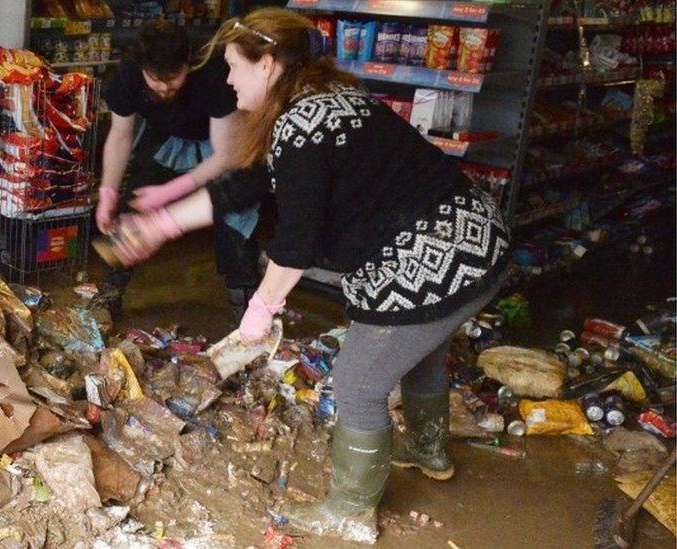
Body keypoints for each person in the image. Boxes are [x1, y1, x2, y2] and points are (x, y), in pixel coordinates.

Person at [95, 8, 511, 544]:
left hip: (438, 255)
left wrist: (257, 316)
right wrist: (161, 225)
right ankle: (429, 451)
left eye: (233, 67)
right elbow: (244, 187)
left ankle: (350, 509)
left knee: (358, 382)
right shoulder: (323, 101)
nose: (225, 80)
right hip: (478, 241)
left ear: (267, 65)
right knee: (420, 349)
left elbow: (295, 245)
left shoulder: (302, 125)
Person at [93, 19, 261, 321]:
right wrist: (108, 190)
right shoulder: (129, 75)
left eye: (173, 79)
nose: (164, 87)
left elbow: (225, 154)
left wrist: (173, 190)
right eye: (155, 80)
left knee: (236, 220)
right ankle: (109, 294)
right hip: (170, 140)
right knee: (130, 211)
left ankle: (247, 311)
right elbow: (120, 136)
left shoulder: (213, 72)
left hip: (224, 144)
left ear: (188, 64)